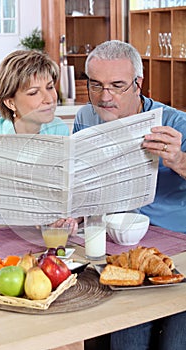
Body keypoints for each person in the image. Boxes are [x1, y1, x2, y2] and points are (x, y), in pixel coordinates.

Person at [73, 40, 186, 350]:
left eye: (117, 86)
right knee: (123, 336)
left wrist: (178, 160)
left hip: (174, 253)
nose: (105, 97)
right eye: (95, 85)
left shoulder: (175, 124)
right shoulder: (86, 117)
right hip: (114, 251)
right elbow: (82, 183)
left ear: (139, 83)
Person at [0, 50, 78, 237]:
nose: (49, 98)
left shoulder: (57, 130)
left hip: (37, 240)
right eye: (34, 92)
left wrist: (65, 218)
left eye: (50, 87)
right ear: (10, 103)